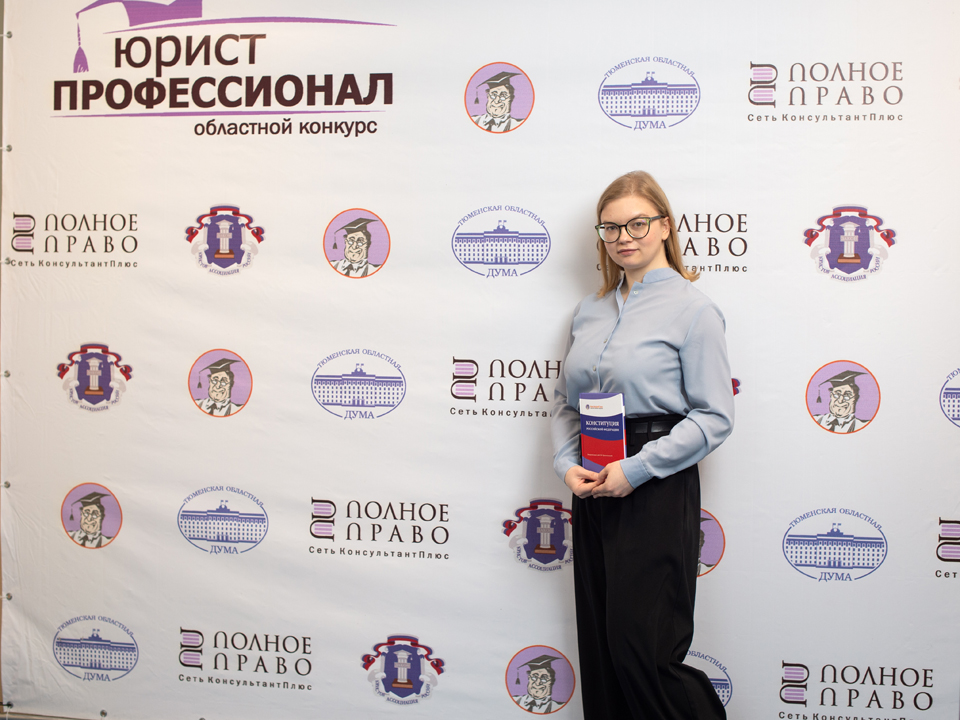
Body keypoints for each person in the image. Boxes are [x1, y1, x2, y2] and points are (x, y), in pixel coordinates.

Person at [551, 171, 734, 719]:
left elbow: (715, 417)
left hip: (655, 483)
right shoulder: (589, 311)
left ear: (664, 226)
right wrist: (565, 464)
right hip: (591, 482)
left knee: (646, 652)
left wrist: (636, 470)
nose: (623, 237)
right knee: (603, 651)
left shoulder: (694, 309)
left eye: (637, 224)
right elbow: (567, 404)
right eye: (610, 228)